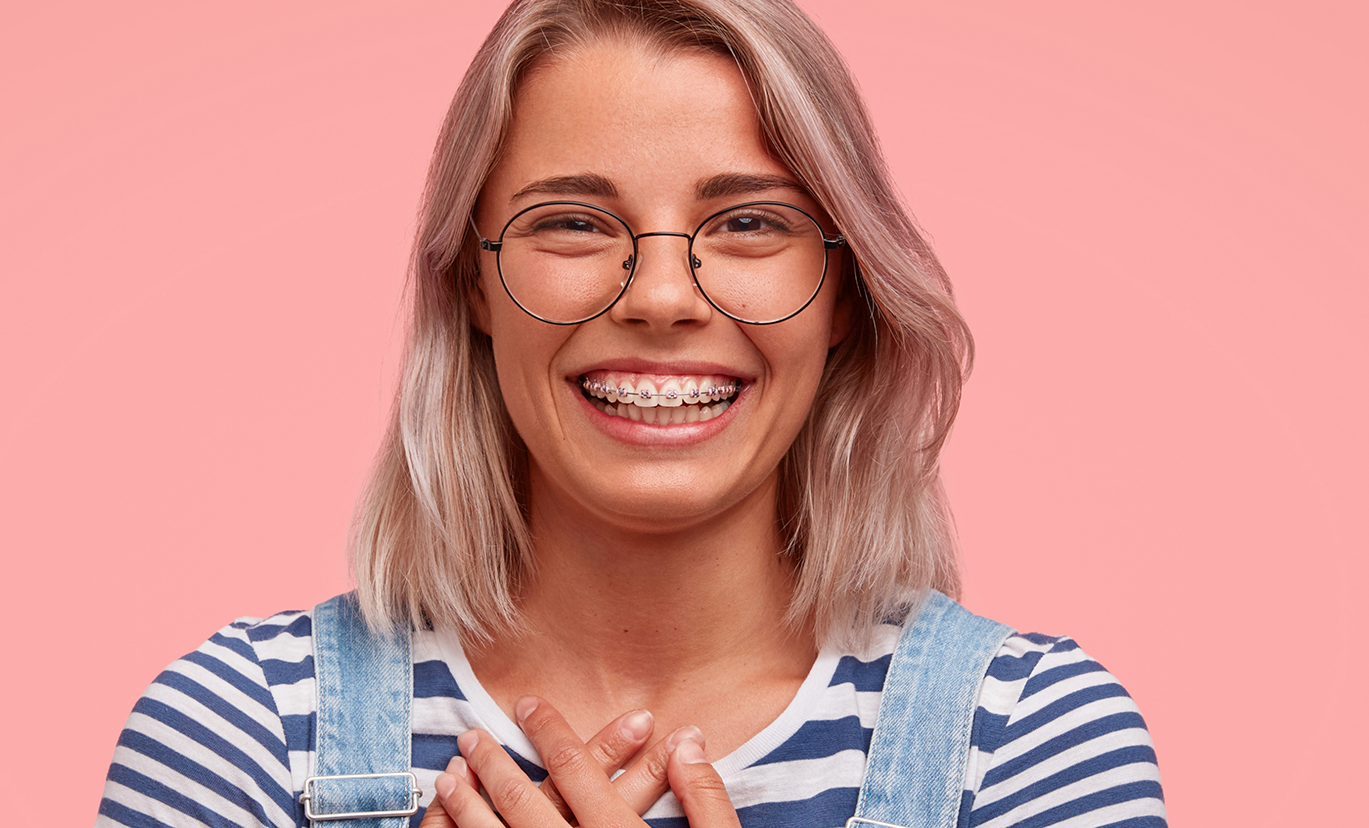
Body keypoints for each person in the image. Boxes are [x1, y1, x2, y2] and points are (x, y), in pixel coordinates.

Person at [97, 1, 1166, 827]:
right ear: (471, 284)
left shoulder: (1025, 736)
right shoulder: (244, 729)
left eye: (749, 222)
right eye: (572, 223)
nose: (660, 297)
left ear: (848, 290)